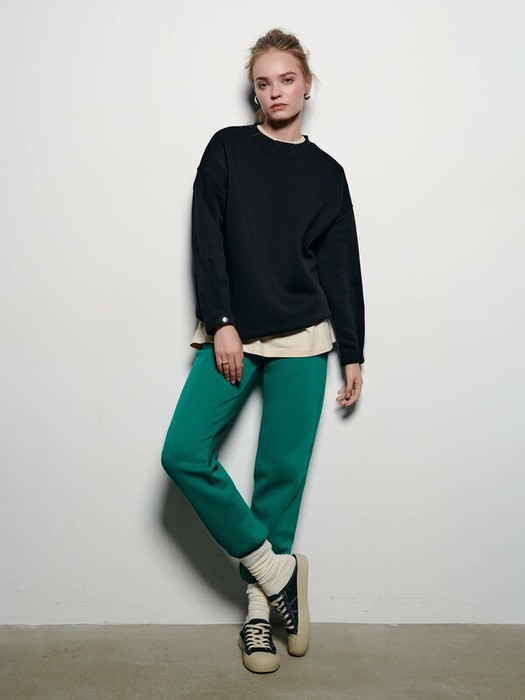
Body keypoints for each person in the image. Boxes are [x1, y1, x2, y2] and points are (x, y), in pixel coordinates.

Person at [161, 27, 365, 674]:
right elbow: (207, 238)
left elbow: (340, 268)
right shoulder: (227, 149)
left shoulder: (327, 173)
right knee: (184, 453)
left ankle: (258, 612)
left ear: (306, 85)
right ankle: (277, 572)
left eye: (286, 79)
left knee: (280, 475)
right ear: (254, 93)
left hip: (305, 337)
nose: (275, 91)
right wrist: (220, 321)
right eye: (263, 83)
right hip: (236, 330)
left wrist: (353, 352)